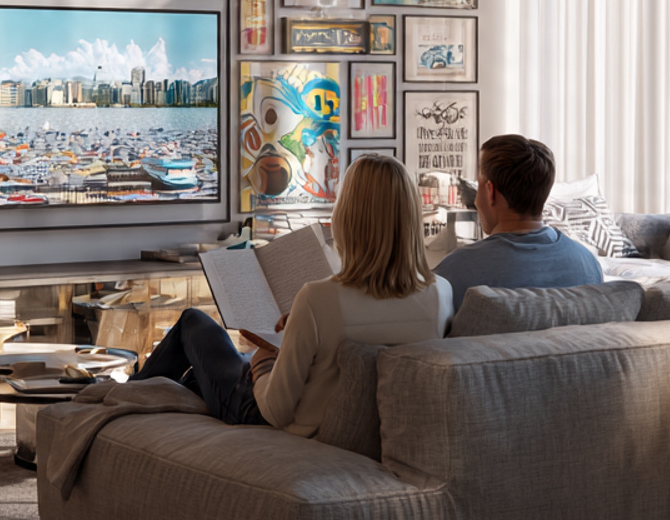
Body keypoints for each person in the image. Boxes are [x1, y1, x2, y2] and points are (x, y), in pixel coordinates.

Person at [130, 155, 452, 436]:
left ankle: (119, 404)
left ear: (349, 219)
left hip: (266, 418)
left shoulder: (319, 298)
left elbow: (274, 409)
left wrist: (264, 360)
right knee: (198, 379)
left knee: (193, 323)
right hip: (359, 420)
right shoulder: (441, 294)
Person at [435, 135, 603, 310]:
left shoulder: (454, 271)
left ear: (490, 191)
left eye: (479, 185)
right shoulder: (588, 265)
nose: (476, 201)